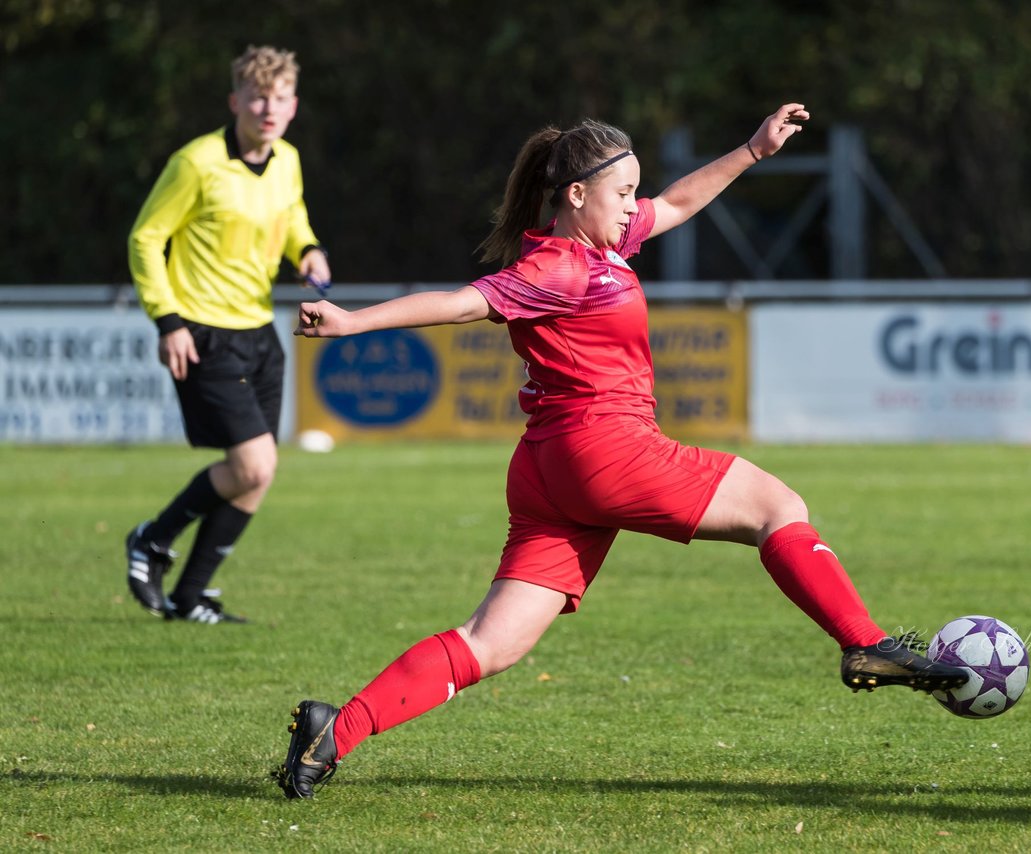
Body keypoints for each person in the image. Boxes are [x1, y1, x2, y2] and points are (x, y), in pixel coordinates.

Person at [275, 104, 966, 798]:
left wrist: (752, 150)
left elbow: (677, 202)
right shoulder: (556, 267)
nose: (635, 205)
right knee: (777, 506)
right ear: (577, 195)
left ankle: (334, 733)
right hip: (605, 449)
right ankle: (864, 642)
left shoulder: (604, 246)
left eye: (633, 191)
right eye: (623, 192)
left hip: (549, 472)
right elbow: (462, 303)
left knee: (493, 642)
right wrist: (352, 322)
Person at [125, 45, 331, 624]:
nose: (270, 108)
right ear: (235, 100)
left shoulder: (286, 160)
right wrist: (167, 320)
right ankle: (152, 539)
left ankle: (189, 597)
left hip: (258, 332)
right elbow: (145, 237)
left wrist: (307, 250)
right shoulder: (196, 162)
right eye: (259, 96)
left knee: (255, 477)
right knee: (255, 463)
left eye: (281, 97)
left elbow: (291, 217)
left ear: (293, 106)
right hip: (201, 329)